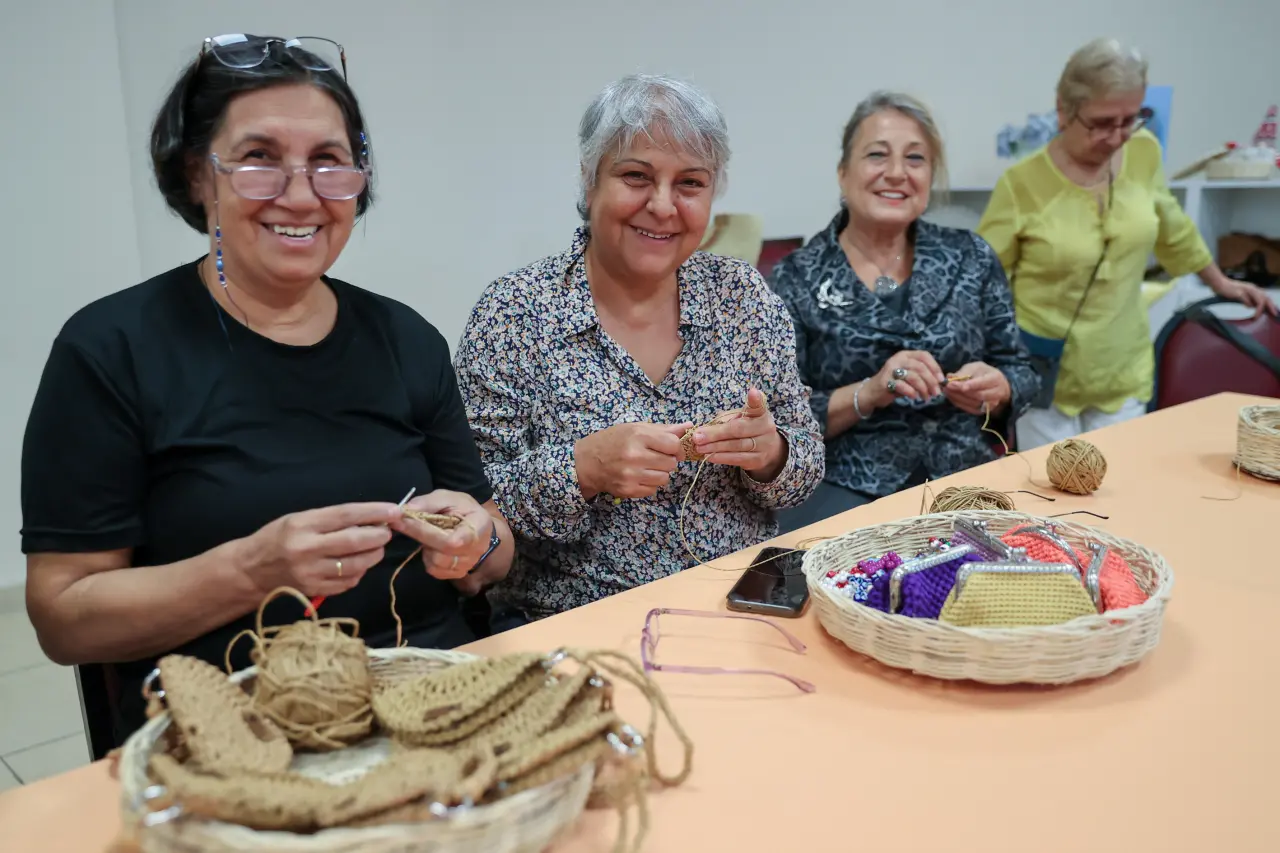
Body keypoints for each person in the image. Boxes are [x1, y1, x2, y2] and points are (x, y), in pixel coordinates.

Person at [19, 34, 513, 746]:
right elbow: (64, 618)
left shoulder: (406, 340)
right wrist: (253, 568)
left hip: (427, 703)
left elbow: (495, 551)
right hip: (233, 730)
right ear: (198, 175)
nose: (301, 194)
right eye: (259, 158)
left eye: (328, 161)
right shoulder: (111, 350)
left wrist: (476, 542)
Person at [454, 74, 825, 629]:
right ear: (589, 180)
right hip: (582, 624)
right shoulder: (514, 313)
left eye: (690, 183)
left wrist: (771, 453)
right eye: (636, 176)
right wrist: (582, 469)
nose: (662, 205)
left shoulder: (742, 296)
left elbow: (806, 467)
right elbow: (474, 511)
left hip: (744, 610)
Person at [978, 37, 1277, 449]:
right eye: (1102, 123)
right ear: (1064, 110)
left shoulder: (1143, 152)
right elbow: (983, 277)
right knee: (1053, 485)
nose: (1117, 137)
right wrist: (989, 358)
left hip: (1122, 368)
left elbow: (1172, 226)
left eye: (1130, 120)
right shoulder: (1022, 184)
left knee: (1119, 478)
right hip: (1045, 372)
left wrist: (1219, 282)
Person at [769, 91, 1040, 532]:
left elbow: (1022, 370)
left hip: (965, 480)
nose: (897, 172)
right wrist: (871, 391)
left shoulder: (970, 256)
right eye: (877, 155)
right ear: (843, 172)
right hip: (846, 485)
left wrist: (1000, 387)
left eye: (915, 158)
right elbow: (779, 419)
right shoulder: (796, 276)